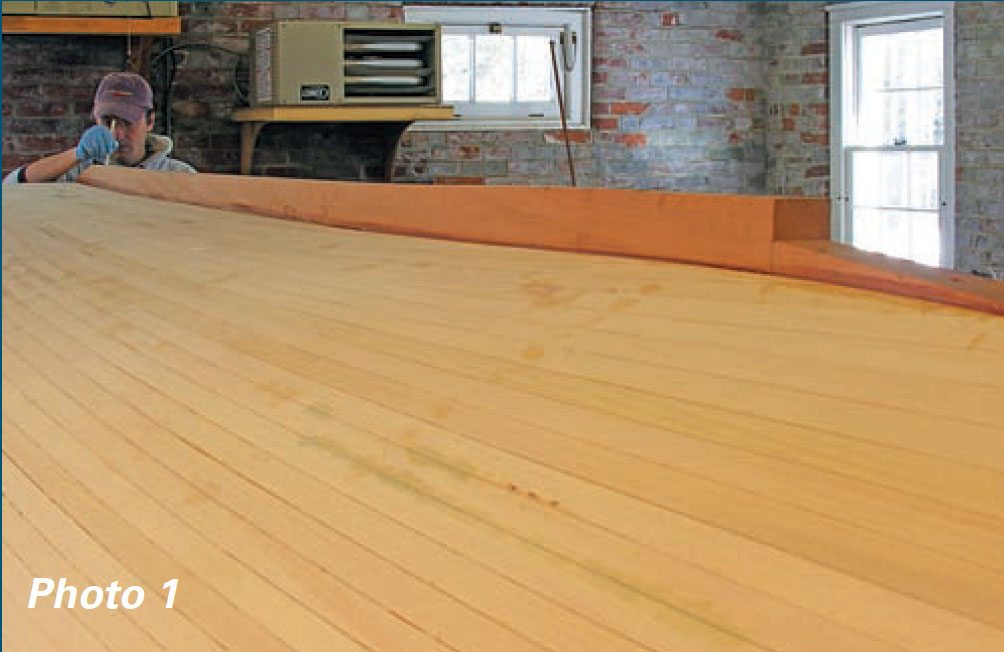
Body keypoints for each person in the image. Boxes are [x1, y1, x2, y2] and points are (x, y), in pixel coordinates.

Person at [4, 71, 195, 185]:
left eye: (127, 122)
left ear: (150, 121)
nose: (117, 133)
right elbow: (11, 186)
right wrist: (77, 154)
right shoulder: (82, 172)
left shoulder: (180, 176)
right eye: (107, 121)